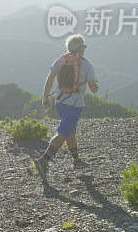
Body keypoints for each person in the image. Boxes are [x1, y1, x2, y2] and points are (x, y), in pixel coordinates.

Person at [33, 34, 98, 182]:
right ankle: (43, 161)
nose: (85, 49)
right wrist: (96, 84)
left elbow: (50, 78)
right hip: (74, 105)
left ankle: (76, 161)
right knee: (63, 133)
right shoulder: (86, 65)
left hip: (60, 102)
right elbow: (94, 89)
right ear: (80, 49)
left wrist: (45, 97)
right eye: (84, 47)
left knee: (70, 132)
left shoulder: (60, 61)